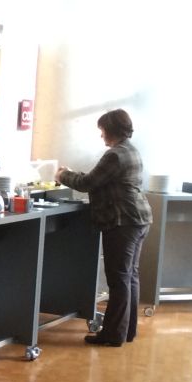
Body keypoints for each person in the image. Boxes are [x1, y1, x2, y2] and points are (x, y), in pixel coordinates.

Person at [56, 109, 152, 347]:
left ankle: (112, 334)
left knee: (119, 279)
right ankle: (127, 331)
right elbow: (101, 179)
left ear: (111, 130)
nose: (101, 135)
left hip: (122, 221)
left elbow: (88, 183)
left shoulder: (115, 155)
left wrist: (62, 175)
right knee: (130, 277)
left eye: (102, 130)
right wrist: (71, 174)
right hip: (139, 219)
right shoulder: (131, 150)